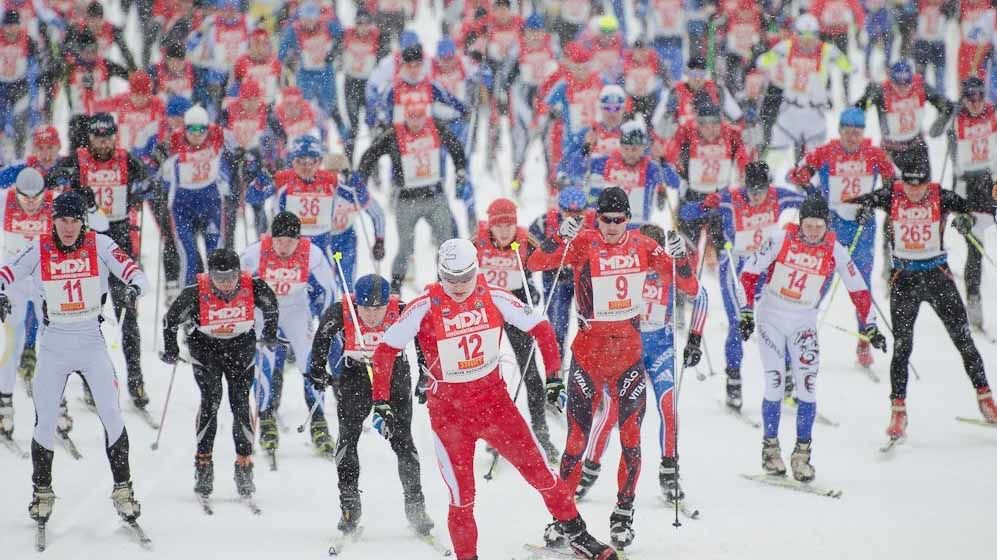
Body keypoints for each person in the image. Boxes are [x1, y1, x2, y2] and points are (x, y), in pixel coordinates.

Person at [370, 238, 617, 560]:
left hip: (495, 408)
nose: (459, 286)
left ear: (476, 270)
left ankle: (579, 536)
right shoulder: (424, 305)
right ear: (440, 274)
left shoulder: (494, 296)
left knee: (541, 473)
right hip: (449, 418)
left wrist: (554, 378)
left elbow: (541, 328)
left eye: (465, 277)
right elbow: (384, 351)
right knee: (462, 497)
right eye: (450, 278)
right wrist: (381, 401)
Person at [527, 187, 698, 550]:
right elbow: (536, 262)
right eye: (606, 220)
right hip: (588, 356)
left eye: (619, 220)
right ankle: (562, 515)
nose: (612, 227)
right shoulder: (583, 243)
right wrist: (559, 237)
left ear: (628, 219)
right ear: (597, 218)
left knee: (630, 438)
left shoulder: (644, 246)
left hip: (628, 358)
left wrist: (680, 258)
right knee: (575, 441)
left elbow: (689, 285)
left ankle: (623, 513)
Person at [0, 191, 145, 527]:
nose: (68, 228)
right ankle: (42, 492)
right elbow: (6, 273)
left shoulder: (101, 244)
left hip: (91, 343)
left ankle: (123, 490)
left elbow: (136, 274)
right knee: (45, 421)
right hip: (54, 347)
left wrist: (133, 289)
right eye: (62, 221)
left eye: (74, 221)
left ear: (84, 222)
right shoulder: (38, 248)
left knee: (111, 414)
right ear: (53, 222)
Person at [738, 197, 886, 481]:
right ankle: (770, 449)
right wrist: (746, 311)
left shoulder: (835, 249)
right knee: (775, 381)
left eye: (819, 226)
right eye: (808, 226)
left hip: (804, 322)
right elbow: (748, 273)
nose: (814, 232)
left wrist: (870, 326)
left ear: (827, 225)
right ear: (800, 223)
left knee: (806, 386)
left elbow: (858, 288)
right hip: (771, 317)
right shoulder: (780, 238)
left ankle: (802, 455)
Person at [852, 161, 997, 438]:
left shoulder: (941, 195)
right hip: (904, 279)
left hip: (937, 276)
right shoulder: (891, 194)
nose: (914, 191)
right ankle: (898, 412)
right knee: (902, 347)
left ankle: (986, 399)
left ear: (928, 183)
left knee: (963, 340)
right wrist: (863, 211)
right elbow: (857, 201)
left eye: (920, 185)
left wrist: (966, 221)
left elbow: (973, 210)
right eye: (909, 184)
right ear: (902, 182)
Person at [571, 223, 708, 504]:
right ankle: (589, 470)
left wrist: (694, 338)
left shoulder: (667, 267)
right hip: (625, 349)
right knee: (610, 413)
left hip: (659, 349)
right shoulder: (622, 266)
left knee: (668, 407)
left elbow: (700, 295)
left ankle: (669, 471)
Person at [307, 273, 434, 537]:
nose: (372, 315)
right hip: (355, 375)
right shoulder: (341, 310)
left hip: (395, 375)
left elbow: (424, 337)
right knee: (347, 439)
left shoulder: (401, 309)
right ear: (357, 302)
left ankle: (416, 507)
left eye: (379, 308)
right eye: (366, 308)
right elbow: (321, 338)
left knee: (403, 441)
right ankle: (349, 507)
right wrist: (317, 370)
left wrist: (425, 373)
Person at [48, 113, 153, 408]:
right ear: (90, 137)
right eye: (98, 137)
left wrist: (140, 189)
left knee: (127, 314)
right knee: (88, 318)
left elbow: (150, 183)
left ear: (114, 137)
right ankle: (90, 383)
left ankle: (136, 380)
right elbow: (52, 180)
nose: (103, 143)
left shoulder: (126, 160)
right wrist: (70, 188)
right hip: (86, 244)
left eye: (108, 137)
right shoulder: (77, 160)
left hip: (119, 240)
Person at [679, 161, 804, 409]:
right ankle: (733, 382)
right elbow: (686, 213)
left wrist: (808, 195)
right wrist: (705, 205)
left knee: (780, 323)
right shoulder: (730, 198)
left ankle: (788, 378)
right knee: (738, 325)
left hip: (768, 269)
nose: (756, 197)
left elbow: (811, 204)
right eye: (752, 190)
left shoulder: (778, 196)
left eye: (761, 191)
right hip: (737, 269)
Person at [160, 248, 281, 501]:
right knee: (211, 401)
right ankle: (203, 464)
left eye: (231, 277)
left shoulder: (253, 286)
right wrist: (171, 349)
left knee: (240, 403)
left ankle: (244, 464)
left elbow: (271, 307)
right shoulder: (195, 292)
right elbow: (170, 320)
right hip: (206, 351)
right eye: (219, 277)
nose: (225, 283)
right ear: (209, 274)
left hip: (240, 349)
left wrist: (270, 332)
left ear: (239, 272)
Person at [787, 108, 896, 367]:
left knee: (861, 284)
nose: (851, 138)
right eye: (847, 132)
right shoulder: (827, 151)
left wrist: (874, 202)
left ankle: (864, 340)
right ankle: (803, 334)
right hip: (832, 225)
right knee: (819, 281)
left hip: (862, 226)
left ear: (863, 133)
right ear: (839, 131)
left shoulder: (874, 153)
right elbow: (794, 174)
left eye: (856, 133)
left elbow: (894, 185)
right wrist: (814, 194)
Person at [239, 212, 337, 459]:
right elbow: (235, 284)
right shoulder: (254, 253)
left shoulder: (312, 254)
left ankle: (318, 420)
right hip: (264, 313)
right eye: (279, 241)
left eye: (289, 242)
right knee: (265, 363)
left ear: (299, 240)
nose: (283, 247)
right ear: (271, 238)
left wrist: (327, 320)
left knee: (311, 362)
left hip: (296, 310)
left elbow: (329, 288)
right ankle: (266, 418)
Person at [473, 198, 558, 461]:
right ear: (490, 225)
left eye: (509, 224)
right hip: (484, 312)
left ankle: (541, 433)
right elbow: (452, 271)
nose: (504, 231)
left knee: (530, 373)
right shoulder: (475, 244)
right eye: (498, 225)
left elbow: (544, 262)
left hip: (513, 308)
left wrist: (531, 289)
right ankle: (493, 433)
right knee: (486, 375)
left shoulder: (524, 241)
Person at [353, 103, 471, 291]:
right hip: (407, 200)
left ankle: (444, 283)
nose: (416, 123)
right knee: (405, 247)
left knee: (446, 244)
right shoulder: (394, 134)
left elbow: (455, 146)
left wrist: (460, 169)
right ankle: (396, 286)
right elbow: (371, 154)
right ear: (405, 118)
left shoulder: (435, 128)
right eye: (411, 118)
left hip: (435, 196)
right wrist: (361, 179)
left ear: (425, 117)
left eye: (419, 118)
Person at [0, 168, 51, 441]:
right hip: (14, 283)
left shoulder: (55, 203)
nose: (31, 204)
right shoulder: (4, 201)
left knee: (52, 342)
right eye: (25, 198)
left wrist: (90, 206)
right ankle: (5, 401)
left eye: (36, 198)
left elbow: (98, 224)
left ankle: (56, 402)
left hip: (44, 282)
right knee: (11, 343)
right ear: (16, 192)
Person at [943, 77, 997, 328]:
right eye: (970, 97)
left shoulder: (993, 113)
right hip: (970, 189)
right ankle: (974, 301)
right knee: (975, 249)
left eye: (979, 96)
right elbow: (935, 133)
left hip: (993, 182)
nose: (976, 102)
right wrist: (949, 113)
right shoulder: (956, 119)